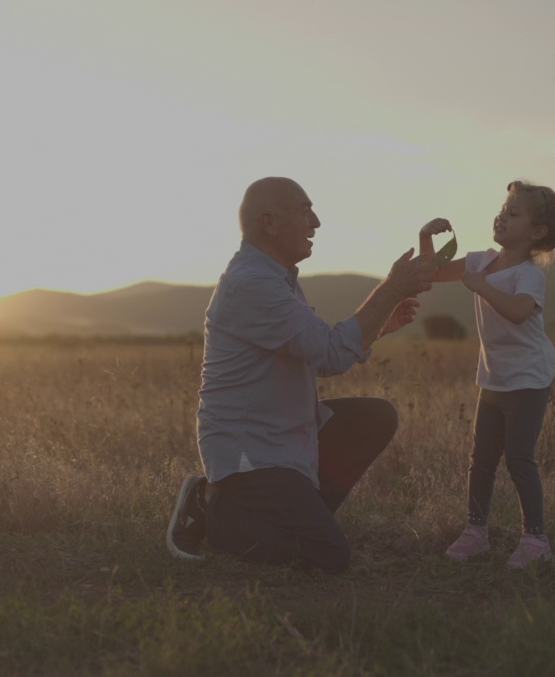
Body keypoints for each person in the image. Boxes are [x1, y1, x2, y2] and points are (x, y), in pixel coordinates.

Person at [165, 176, 436, 573]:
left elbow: (322, 359)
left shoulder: (277, 279)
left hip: (281, 439)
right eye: (306, 211)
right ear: (270, 222)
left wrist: (381, 324)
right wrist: (392, 289)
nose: (317, 223)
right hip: (251, 454)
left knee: (375, 417)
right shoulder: (252, 284)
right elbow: (331, 351)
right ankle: (212, 510)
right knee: (329, 556)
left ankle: (294, 517)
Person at [421, 180, 555, 568]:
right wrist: (425, 240)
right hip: (494, 376)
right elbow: (431, 273)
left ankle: (536, 541)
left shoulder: (528, 274)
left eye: (513, 213)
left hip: (529, 378)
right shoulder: (479, 261)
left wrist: (482, 287)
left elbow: (519, 311)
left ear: (536, 232)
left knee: (519, 458)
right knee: (481, 459)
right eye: (503, 209)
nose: (502, 216)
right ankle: (476, 532)